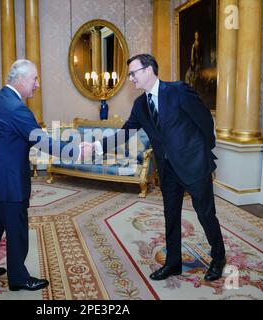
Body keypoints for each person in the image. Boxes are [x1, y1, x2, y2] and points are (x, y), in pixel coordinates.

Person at [94, 54, 226, 281]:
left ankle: (219, 257)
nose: (131, 79)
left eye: (133, 73)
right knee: (170, 216)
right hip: (167, 170)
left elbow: (204, 119)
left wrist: (203, 151)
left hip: (194, 165)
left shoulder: (178, 91)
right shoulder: (140, 105)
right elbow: (125, 133)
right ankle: (173, 262)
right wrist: (97, 145)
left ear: (148, 70)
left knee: (206, 214)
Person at [0, 59, 91, 291]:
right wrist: (75, 151)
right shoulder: (17, 109)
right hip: (9, 183)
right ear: (21, 79)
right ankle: (18, 278)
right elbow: (42, 141)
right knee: (16, 230)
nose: (37, 85)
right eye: (35, 79)